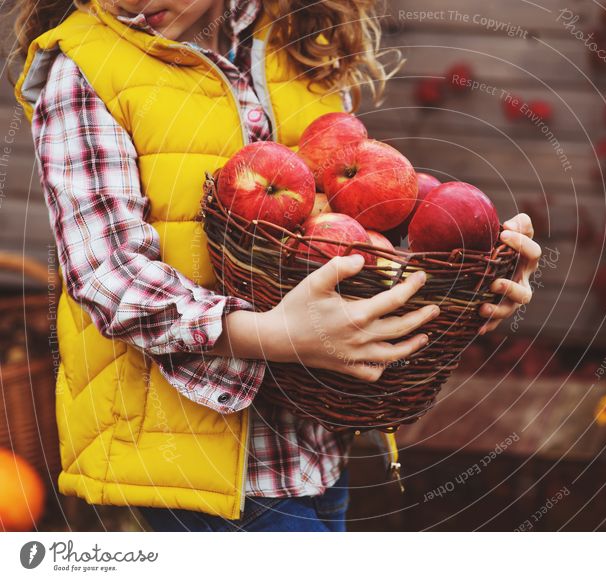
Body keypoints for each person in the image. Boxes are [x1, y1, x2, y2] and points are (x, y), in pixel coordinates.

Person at [11, 0, 542, 531]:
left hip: (316, 450)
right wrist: (273, 334)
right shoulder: (86, 68)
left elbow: (351, 225)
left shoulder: (298, 43)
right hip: (197, 468)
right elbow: (109, 274)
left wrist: (465, 279)